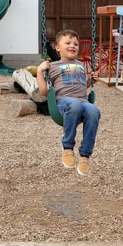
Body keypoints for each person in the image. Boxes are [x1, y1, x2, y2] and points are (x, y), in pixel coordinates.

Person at [37, 29, 101, 176]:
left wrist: (92, 80)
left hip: (82, 101)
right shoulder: (52, 66)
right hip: (63, 103)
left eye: (75, 44)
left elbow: (81, 85)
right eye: (68, 43)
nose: (73, 46)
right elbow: (43, 91)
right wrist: (40, 71)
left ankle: (85, 155)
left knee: (93, 110)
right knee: (75, 104)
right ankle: (67, 148)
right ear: (58, 48)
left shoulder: (80, 65)